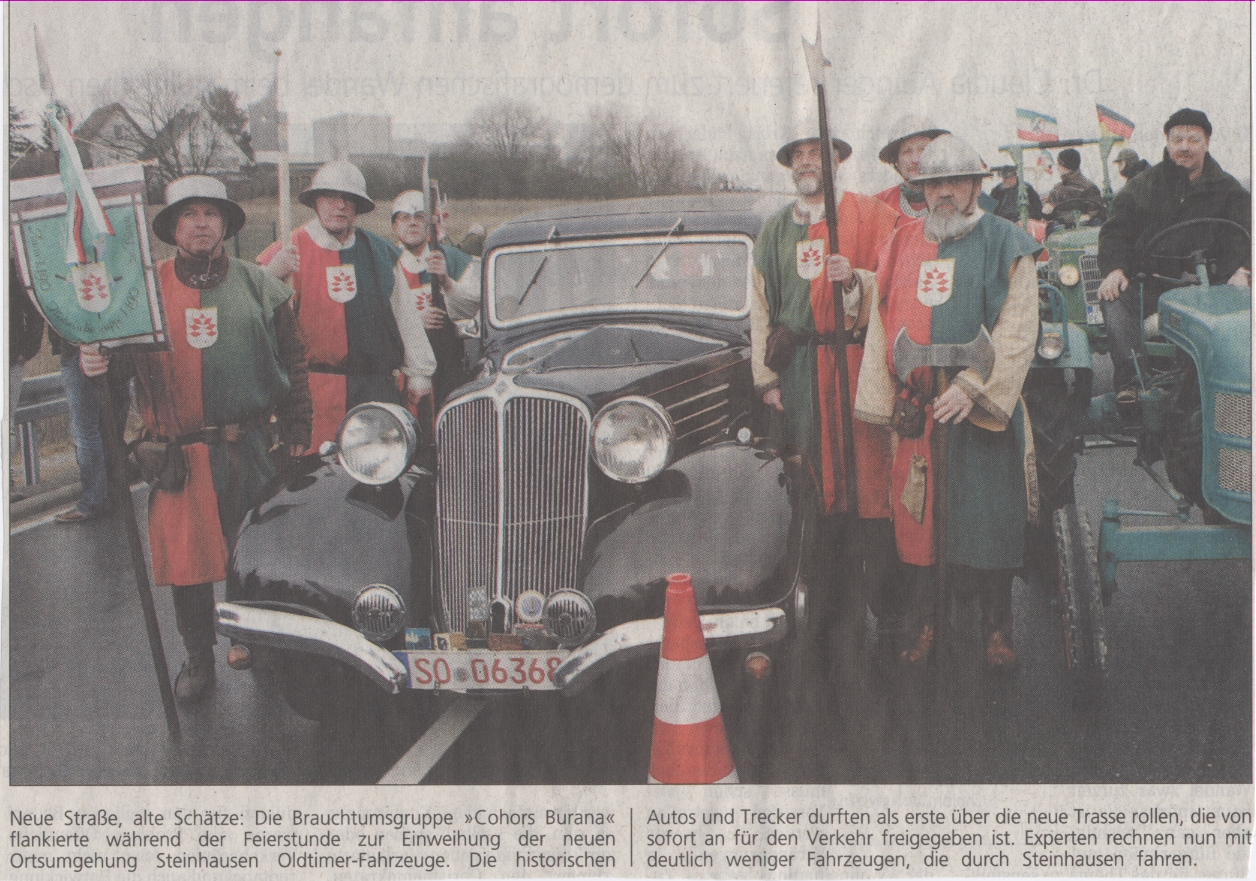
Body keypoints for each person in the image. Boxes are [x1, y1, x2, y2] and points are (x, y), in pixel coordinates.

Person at [81, 176, 312, 704]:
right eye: (190, 214)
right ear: (173, 228)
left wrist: (299, 429)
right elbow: (115, 374)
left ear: (228, 225)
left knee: (256, 557)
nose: (202, 223)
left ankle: (261, 645)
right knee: (187, 566)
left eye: (212, 214)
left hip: (250, 447)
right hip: (177, 454)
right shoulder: (143, 292)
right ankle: (199, 657)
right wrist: (99, 364)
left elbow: (293, 362)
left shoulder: (261, 285)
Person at [856, 134, 1042, 670]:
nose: (942, 193)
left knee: (988, 523)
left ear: (975, 185)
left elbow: (1017, 328)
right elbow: (880, 324)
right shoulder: (900, 243)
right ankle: (929, 624)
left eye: (954, 182)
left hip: (978, 407)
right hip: (921, 410)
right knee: (920, 526)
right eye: (933, 183)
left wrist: (973, 387)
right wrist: (888, 394)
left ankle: (996, 630)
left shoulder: (1008, 242)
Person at [752, 129, 899, 678]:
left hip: (856, 364)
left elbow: (895, 279)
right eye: (799, 156)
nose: (807, 163)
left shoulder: (870, 216)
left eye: (818, 154)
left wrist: (855, 279)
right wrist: (766, 377)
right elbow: (761, 308)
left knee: (869, 481)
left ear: (838, 161)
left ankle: (885, 607)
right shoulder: (773, 231)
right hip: (800, 373)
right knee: (812, 484)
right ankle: (820, 607)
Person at [1098, 108, 1252, 400]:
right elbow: (1115, 233)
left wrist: (1244, 270)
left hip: (1214, 286)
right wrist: (1115, 269)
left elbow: (1249, 233)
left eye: (1193, 139)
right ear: (1167, 142)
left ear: (1206, 142)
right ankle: (1133, 384)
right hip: (1152, 284)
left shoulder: (1229, 190)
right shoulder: (1141, 188)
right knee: (1114, 299)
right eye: (1177, 138)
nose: (1184, 147)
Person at [258, 160, 406, 449]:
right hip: (314, 393)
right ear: (316, 201)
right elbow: (251, 314)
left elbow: (403, 315)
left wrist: (421, 371)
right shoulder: (289, 248)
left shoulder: (379, 252)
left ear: (357, 207)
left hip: (374, 392)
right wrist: (271, 275)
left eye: (348, 199)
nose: (340, 206)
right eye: (331, 197)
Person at [390, 189, 479, 410]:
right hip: (405, 370)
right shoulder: (385, 261)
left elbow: (474, 308)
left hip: (450, 366)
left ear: (430, 224)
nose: (412, 223)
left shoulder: (454, 259)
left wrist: (447, 282)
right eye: (404, 217)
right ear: (395, 225)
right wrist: (415, 320)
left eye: (419, 217)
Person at [51, 327, 131, 523]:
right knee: (110, 424)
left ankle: (93, 501)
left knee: (86, 430)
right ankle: (113, 491)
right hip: (116, 345)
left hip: (80, 346)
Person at [10, 261, 44, 502]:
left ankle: (6, 483)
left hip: (9, 358)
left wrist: (28, 349)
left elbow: (34, 308)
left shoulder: (12, 268)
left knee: (5, 422)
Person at [875, 114, 950, 223]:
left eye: (923, 149)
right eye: (906, 152)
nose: (915, 159)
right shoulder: (878, 205)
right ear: (897, 162)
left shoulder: (957, 199)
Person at [1042, 147, 1106, 228]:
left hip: (1086, 224)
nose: (1057, 167)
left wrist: (1088, 216)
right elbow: (1049, 214)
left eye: (1059, 164)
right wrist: (1047, 208)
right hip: (1062, 226)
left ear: (1065, 167)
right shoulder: (1057, 189)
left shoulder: (1088, 187)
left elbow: (1096, 209)